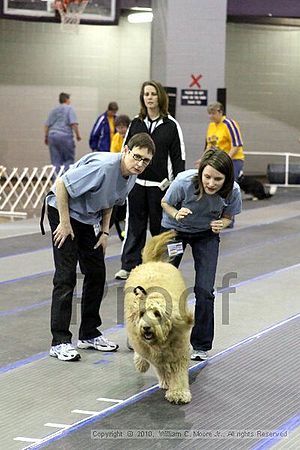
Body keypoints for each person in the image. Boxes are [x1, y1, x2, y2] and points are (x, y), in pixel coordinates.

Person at [45, 132, 155, 362]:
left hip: (88, 219)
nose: (139, 164)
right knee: (66, 276)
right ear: (125, 151)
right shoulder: (104, 167)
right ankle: (60, 341)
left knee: (96, 274)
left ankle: (88, 334)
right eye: (136, 157)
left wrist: (105, 231)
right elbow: (61, 184)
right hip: (63, 210)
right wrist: (64, 223)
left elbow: (111, 202)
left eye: (145, 161)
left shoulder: (132, 175)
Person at [161, 148, 242, 362]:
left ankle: (200, 345)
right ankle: (149, 334)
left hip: (206, 235)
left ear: (226, 179)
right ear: (200, 173)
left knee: (205, 290)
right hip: (175, 232)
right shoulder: (183, 182)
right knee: (161, 283)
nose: (211, 183)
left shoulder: (233, 191)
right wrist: (176, 213)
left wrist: (222, 224)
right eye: (207, 177)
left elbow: (228, 216)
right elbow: (165, 203)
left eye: (218, 179)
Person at [114, 80, 185, 280]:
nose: (149, 97)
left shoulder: (171, 126)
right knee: (133, 228)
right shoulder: (135, 124)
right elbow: (125, 152)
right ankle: (129, 265)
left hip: (160, 188)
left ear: (160, 97)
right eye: (146, 94)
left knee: (159, 229)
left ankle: (160, 267)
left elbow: (179, 158)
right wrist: (123, 178)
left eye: (153, 94)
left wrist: (177, 188)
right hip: (135, 186)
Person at [206, 102, 245, 180]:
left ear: (220, 112)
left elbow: (236, 145)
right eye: (209, 114)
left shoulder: (229, 124)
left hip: (233, 159)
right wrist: (204, 159)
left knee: (230, 181)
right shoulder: (211, 126)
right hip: (217, 160)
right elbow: (210, 146)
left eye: (213, 113)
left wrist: (226, 159)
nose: (211, 116)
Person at [44, 92, 81, 174]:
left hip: (52, 136)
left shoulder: (53, 110)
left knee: (55, 161)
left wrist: (46, 137)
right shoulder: (69, 109)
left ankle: (56, 183)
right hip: (65, 136)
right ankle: (66, 181)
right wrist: (78, 135)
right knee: (68, 159)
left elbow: (47, 125)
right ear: (66, 100)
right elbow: (74, 124)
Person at [109, 114, 131, 240]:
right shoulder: (116, 138)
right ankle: (121, 231)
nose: (121, 130)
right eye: (118, 127)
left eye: (123, 127)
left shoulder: (131, 137)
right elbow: (114, 154)